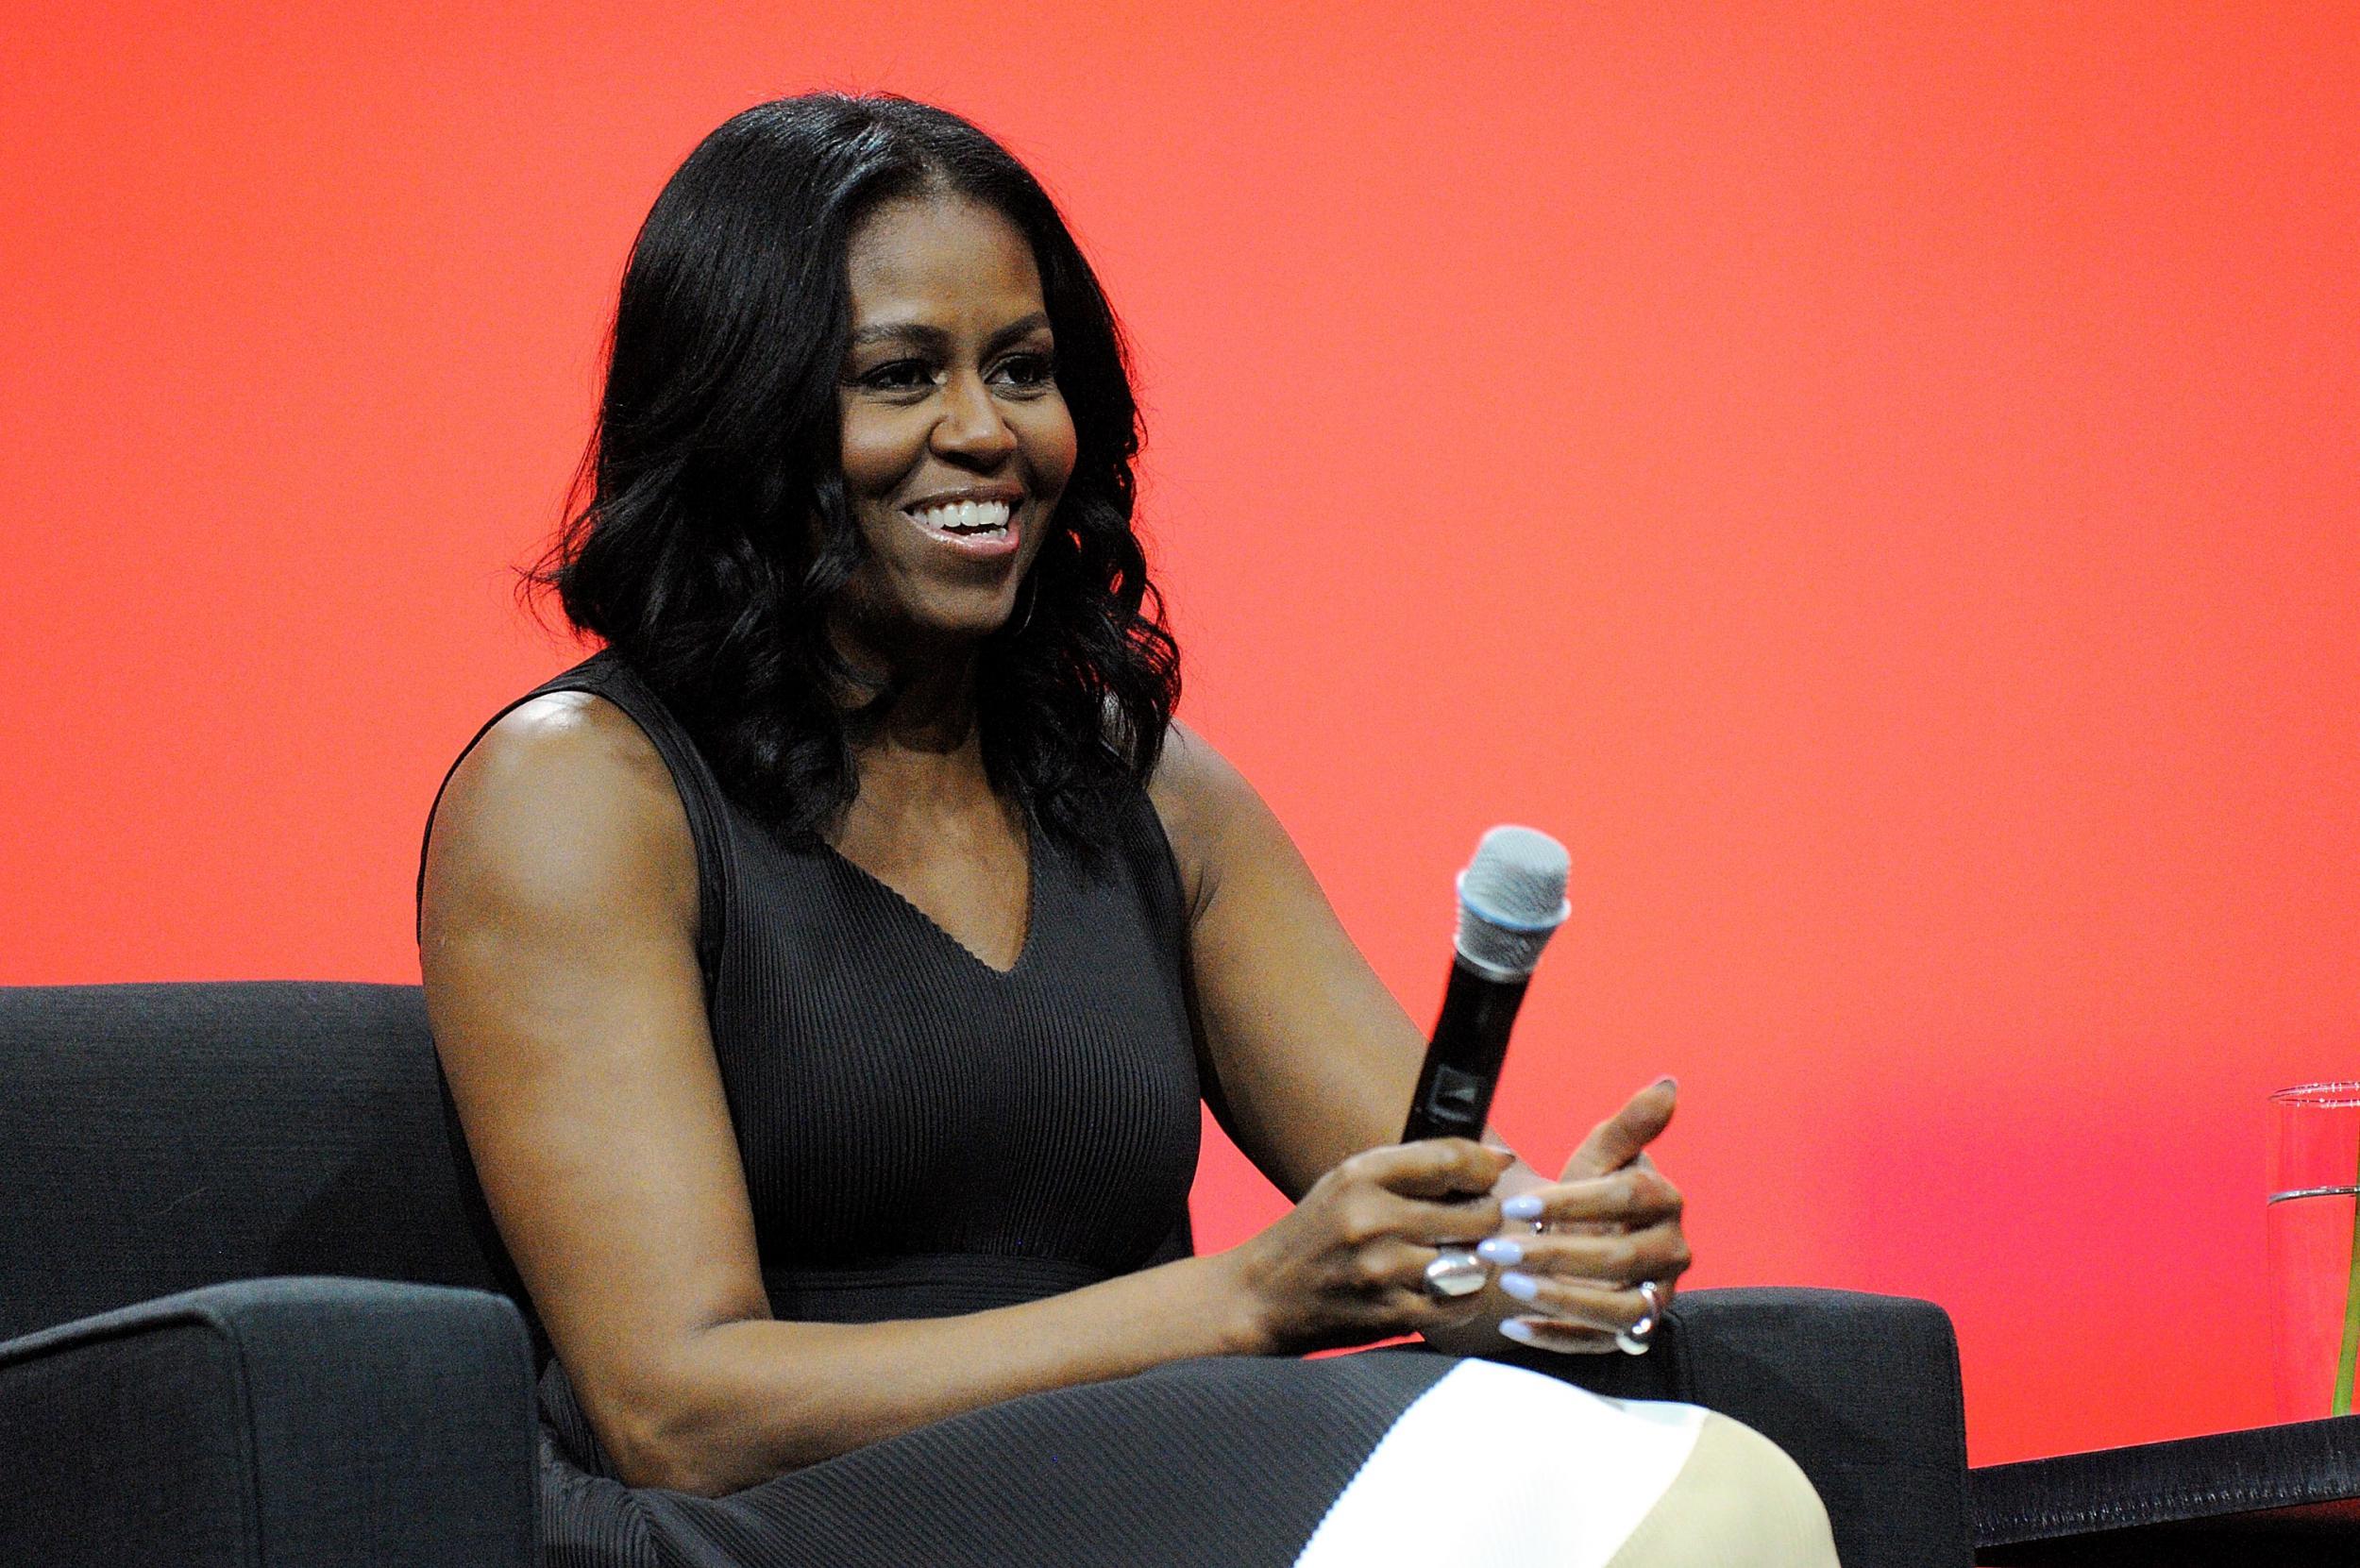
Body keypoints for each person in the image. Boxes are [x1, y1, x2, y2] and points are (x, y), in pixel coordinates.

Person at [416, 93, 1837, 1568]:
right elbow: (675, 1407)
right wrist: (1239, 1302)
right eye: (899, 377)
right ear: (742, 420)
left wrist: (1531, 1261)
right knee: (1679, 1512)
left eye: (1023, 370)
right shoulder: (582, 794)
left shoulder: (1145, 790)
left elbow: (1416, 1217)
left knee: (1696, 1480)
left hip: (1158, 1474)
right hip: (793, 1520)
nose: (985, 433)